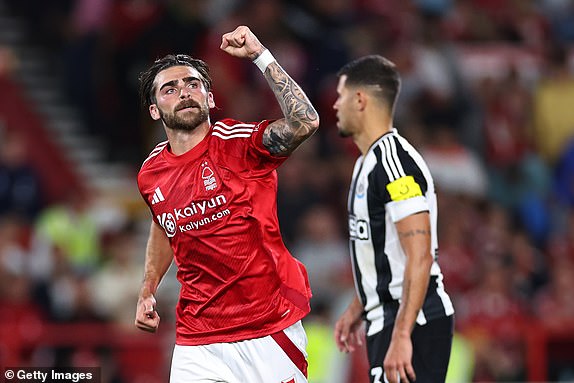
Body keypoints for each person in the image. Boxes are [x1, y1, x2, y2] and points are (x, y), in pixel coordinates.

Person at [133, 25, 319, 382]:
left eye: (192, 84)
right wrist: (148, 287)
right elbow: (164, 223)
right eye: (169, 89)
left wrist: (260, 56)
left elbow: (305, 121)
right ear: (155, 111)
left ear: (210, 98)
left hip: (266, 328)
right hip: (197, 339)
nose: (184, 93)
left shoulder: (239, 144)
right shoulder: (150, 173)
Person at [332, 55, 455, 383]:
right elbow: (383, 249)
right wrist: (360, 304)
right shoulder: (366, 163)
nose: (335, 105)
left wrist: (402, 335)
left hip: (414, 322)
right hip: (387, 319)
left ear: (360, 100)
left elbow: (420, 255)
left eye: (340, 96)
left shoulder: (394, 163)